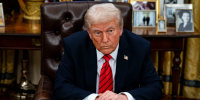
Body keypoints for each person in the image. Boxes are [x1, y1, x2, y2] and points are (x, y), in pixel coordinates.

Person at [52, 3, 162, 100]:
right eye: (98, 33)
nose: (105, 39)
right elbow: (61, 87)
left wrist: (124, 97)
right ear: (89, 33)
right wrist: (94, 98)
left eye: (110, 31)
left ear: (120, 29)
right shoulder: (74, 46)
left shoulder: (139, 47)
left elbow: (155, 87)